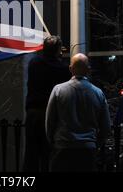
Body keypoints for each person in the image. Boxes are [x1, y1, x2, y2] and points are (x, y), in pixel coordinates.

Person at [45, 53, 111, 172]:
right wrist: (95, 144)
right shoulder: (98, 93)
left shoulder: (58, 90)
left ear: (70, 69)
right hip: (88, 149)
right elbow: (106, 127)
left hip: (63, 147)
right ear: (88, 70)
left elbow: (49, 122)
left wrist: (55, 142)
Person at [23, 35, 71, 172]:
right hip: (51, 115)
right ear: (57, 50)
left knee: (31, 154)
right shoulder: (63, 69)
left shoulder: (34, 63)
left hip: (33, 113)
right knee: (48, 154)